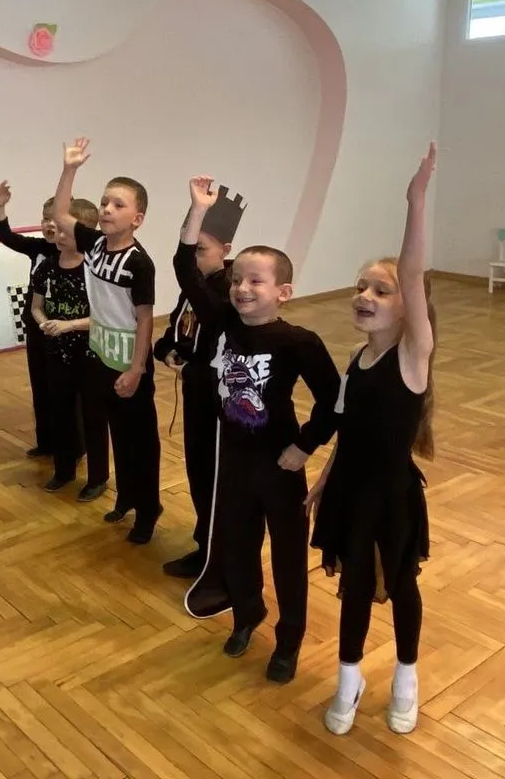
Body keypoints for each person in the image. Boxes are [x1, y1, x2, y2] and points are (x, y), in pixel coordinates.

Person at [177, 175, 340, 683]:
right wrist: (198, 211)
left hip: (278, 465)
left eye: (256, 282)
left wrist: (304, 446)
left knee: (288, 556)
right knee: (238, 545)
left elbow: (334, 401)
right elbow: (185, 268)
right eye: (237, 280)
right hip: (234, 461)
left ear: (283, 292)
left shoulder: (298, 342)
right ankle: (247, 614)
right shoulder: (221, 320)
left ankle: (289, 639)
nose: (242, 289)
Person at [308, 143, 437, 736]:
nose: (365, 296)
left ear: (409, 309)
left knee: (402, 586)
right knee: (354, 587)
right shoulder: (356, 361)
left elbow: (412, 272)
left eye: (381, 291)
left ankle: (407, 678)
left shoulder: (413, 357)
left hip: (391, 498)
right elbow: (347, 431)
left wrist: (415, 202)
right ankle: (349, 678)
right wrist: (325, 477)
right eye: (361, 287)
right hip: (350, 494)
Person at [51, 138, 162, 542]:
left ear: (138, 218)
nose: (107, 209)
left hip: (128, 363)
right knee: (117, 434)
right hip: (99, 356)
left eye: (118, 204)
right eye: (104, 202)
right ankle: (126, 497)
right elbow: (60, 214)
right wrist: (70, 169)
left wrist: (136, 369)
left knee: (140, 443)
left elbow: (145, 318)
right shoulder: (94, 244)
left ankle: (148, 509)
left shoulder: (139, 263)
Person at [154, 186, 242, 579]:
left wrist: (189, 369)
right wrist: (166, 351)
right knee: (199, 475)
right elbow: (175, 333)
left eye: (199, 249)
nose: (192, 257)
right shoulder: (194, 292)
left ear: (226, 249)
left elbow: (220, 356)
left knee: (215, 479)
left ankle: (220, 557)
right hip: (195, 397)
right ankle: (205, 546)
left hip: (217, 405)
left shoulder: (225, 295)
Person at [30, 197, 100, 493]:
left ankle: (97, 478)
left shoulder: (94, 270)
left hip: (89, 354)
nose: (57, 235)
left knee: (93, 415)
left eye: (64, 231)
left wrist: (68, 325)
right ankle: (63, 469)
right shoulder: (46, 267)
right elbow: (36, 307)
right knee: (60, 410)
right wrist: (44, 323)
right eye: (56, 230)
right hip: (56, 353)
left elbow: (104, 317)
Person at [0, 181, 59, 458]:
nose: (49, 225)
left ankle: (70, 445)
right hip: (36, 326)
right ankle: (46, 442)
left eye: (55, 219)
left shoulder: (76, 251)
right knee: (40, 385)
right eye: (45, 219)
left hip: (64, 330)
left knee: (62, 388)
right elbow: (7, 236)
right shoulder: (37, 247)